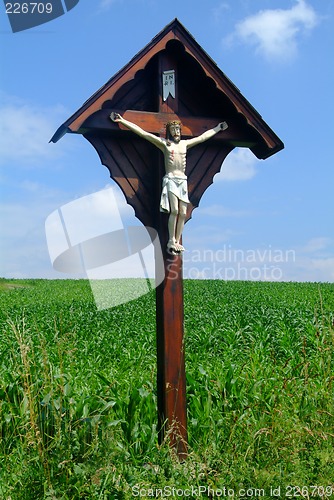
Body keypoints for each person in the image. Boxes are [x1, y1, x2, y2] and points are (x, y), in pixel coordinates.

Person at [110, 112, 228, 254]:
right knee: (175, 210)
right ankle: (171, 240)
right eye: (174, 130)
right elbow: (143, 134)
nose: (176, 132)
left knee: (183, 213)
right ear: (170, 133)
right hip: (171, 179)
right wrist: (122, 121)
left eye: (178, 130)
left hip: (182, 180)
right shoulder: (166, 145)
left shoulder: (185, 144)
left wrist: (218, 128)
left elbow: (202, 137)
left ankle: (177, 241)